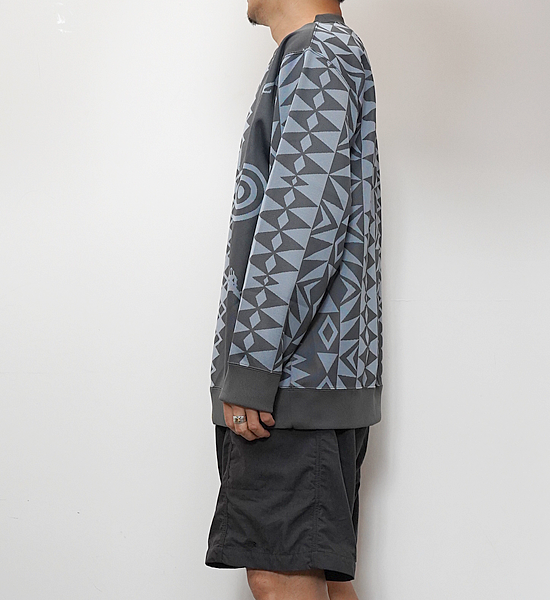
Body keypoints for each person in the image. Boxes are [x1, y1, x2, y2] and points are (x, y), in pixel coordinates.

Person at [205, 0, 383, 598]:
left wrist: (253, 366)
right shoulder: (323, 52)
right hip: (312, 379)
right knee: (314, 576)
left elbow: (301, 228)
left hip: (292, 385)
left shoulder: (317, 54)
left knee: (280, 576)